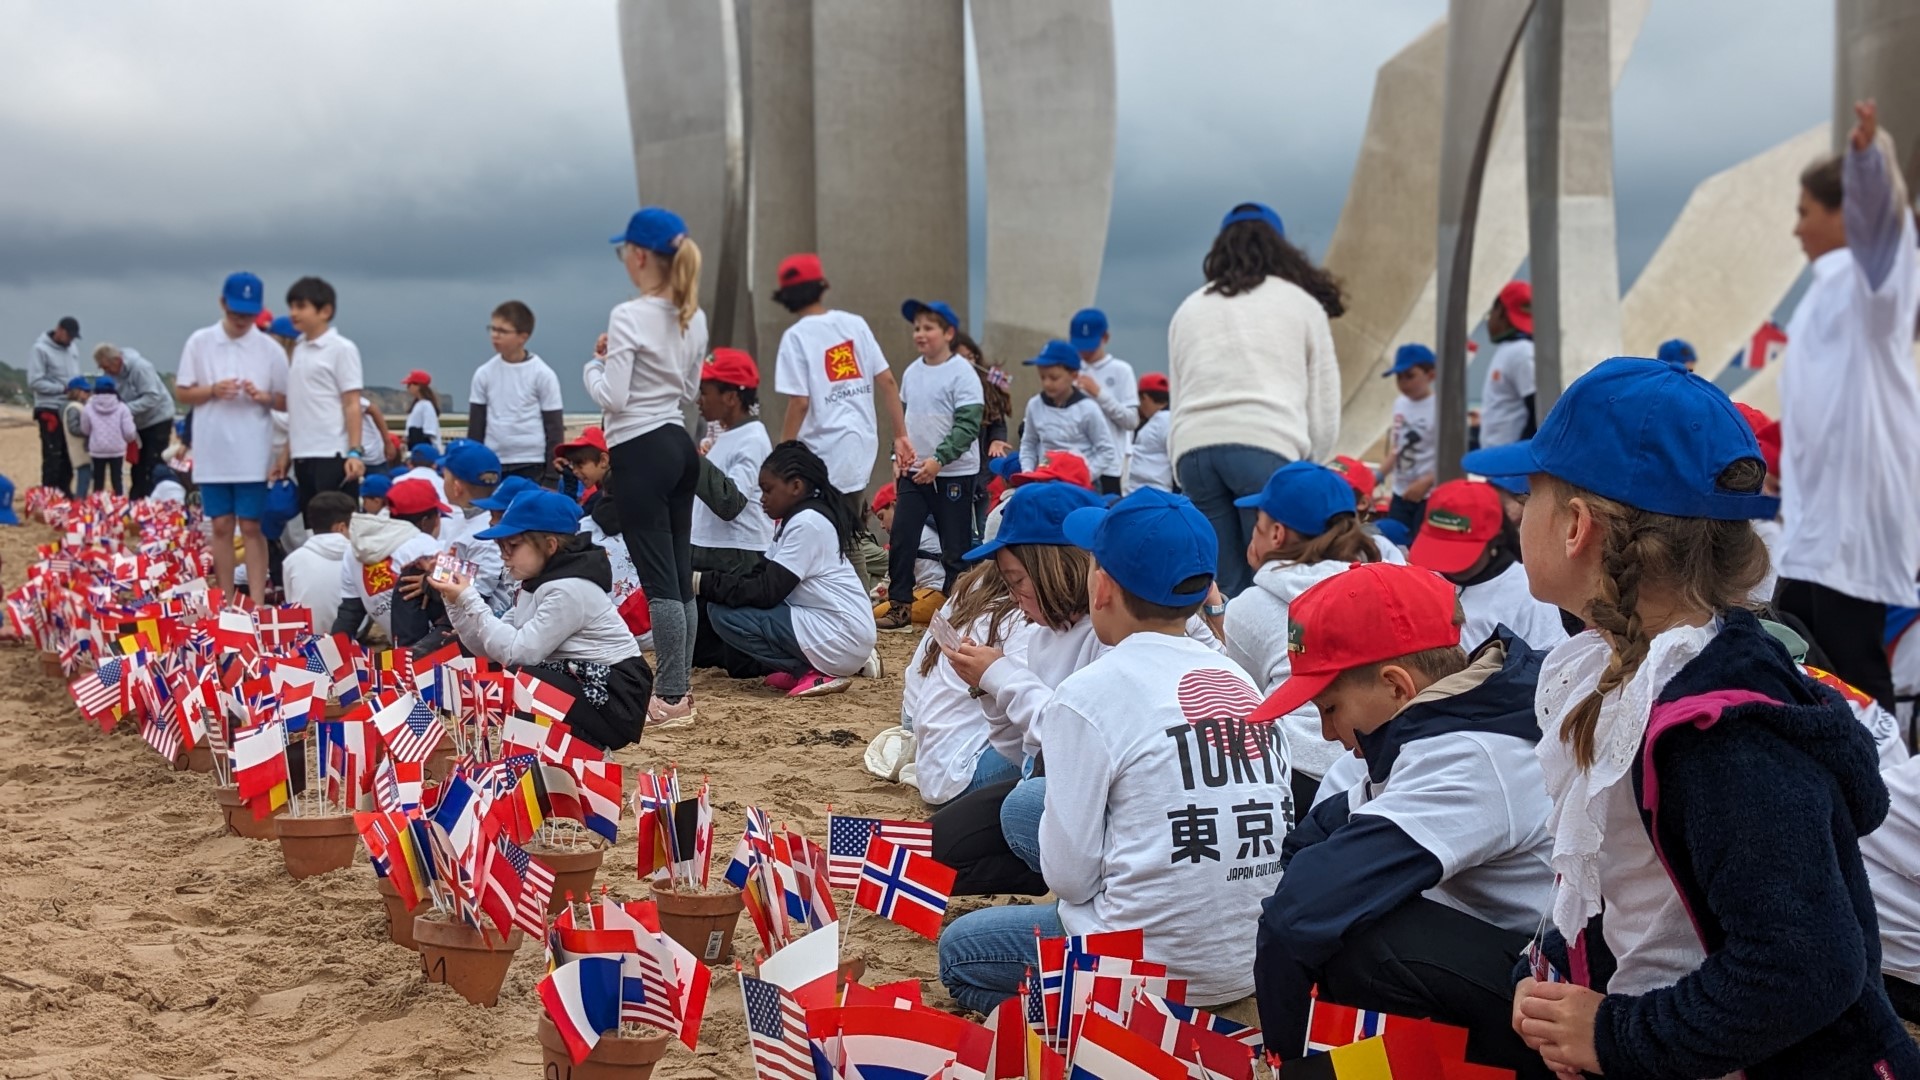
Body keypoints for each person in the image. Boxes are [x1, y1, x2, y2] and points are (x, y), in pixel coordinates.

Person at [1467, 355, 1919, 1078]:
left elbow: (1806, 966)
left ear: (1577, 526)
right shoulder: (1630, 676)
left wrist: (1615, 1036)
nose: (1519, 512)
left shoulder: (1721, 734)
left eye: (1530, 493)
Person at [937, 487, 1283, 1013]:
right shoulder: (1237, 678)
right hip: (1245, 964)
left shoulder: (1093, 691)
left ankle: (1083, 1023)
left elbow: (1069, 877)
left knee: (960, 951)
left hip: (1142, 970)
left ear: (1102, 587)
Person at [1251, 562, 1553, 1076]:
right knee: (1349, 905)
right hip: (1514, 969)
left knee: (1362, 936)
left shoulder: (1476, 755)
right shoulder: (1453, 716)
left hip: (1556, 1005)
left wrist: (1282, 1059)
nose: (1327, 734)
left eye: (1329, 708)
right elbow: (1314, 837)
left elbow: (1296, 916)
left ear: (1396, 686)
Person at [1774, 99, 1920, 712]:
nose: (1797, 227)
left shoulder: (1869, 287)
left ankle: (1886, 798)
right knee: (1793, 653)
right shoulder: (1824, 295)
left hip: (1853, 526)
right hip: (1814, 527)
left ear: (1844, 216)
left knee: (1856, 674)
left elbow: (1887, 237)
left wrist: (1867, 167)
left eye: (1805, 211)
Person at [1167, 202, 1342, 597]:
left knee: (1222, 585)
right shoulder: (1301, 304)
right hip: (1266, 445)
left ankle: (1226, 655)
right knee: (1276, 577)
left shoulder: (1189, 308)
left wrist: (1181, 464)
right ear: (1280, 248)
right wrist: (1307, 468)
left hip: (1194, 451)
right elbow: (1325, 403)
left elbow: (1178, 398)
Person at [586, 207, 708, 728]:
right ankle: (681, 690)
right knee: (680, 577)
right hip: (677, 441)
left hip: (638, 445)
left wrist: (593, 366)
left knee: (661, 582)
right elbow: (688, 390)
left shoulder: (628, 315)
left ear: (639, 257)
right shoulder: (693, 314)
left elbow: (613, 397)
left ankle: (674, 696)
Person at [430, 489, 655, 752]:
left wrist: (469, 598)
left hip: (615, 694)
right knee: (504, 674)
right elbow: (488, 647)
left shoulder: (569, 588)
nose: (504, 554)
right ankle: (554, 752)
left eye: (512, 546)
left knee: (518, 680)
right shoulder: (535, 583)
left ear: (550, 545)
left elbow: (516, 654)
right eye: (501, 546)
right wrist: (454, 600)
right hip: (583, 682)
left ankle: (588, 749)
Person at [1223, 461, 1383, 809]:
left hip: (1291, 771)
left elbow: (1238, 693)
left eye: (1258, 524)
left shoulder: (1250, 606)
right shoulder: (1384, 584)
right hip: (1376, 768)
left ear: (1277, 534)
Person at [694, 441, 880, 697]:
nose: (762, 499)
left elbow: (767, 592)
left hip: (840, 634)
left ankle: (811, 671)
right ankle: (807, 668)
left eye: (768, 490)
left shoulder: (808, 523)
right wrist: (705, 582)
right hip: (836, 630)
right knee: (725, 607)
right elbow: (760, 575)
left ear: (795, 486)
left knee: (724, 615)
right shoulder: (796, 521)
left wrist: (700, 583)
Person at [770, 252, 911, 588]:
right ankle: (855, 619)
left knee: (833, 538)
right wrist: (901, 435)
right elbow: (888, 382)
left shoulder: (796, 337)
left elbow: (800, 402)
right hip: (860, 446)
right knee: (846, 534)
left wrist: (782, 454)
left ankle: (856, 621)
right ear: (823, 286)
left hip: (820, 452)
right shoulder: (854, 324)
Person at [175, 272, 287, 604]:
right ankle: (224, 599)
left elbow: (287, 399)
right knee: (221, 525)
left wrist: (263, 396)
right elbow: (182, 391)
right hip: (213, 452)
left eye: (248, 314)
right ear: (223, 304)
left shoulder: (270, 349)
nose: (241, 320)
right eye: (236, 312)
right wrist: (212, 390)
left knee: (252, 527)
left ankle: (255, 601)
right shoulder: (200, 342)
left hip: (253, 453)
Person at [879, 299, 984, 632]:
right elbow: (904, 422)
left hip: (953, 474)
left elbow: (968, 426)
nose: (920, 334)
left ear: (948, 333)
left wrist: (939, 460)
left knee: (956, 548)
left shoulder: (963, 373)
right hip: (913, 474)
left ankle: (957, 609)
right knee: (903, 537)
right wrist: (898, 459)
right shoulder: (911, 372)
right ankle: (900, 606)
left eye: (928, 328)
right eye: (917, 328)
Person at [907, 560, 1028, 807]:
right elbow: (1032, 722)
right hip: (961, 768)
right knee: (1061, 758)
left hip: (931, 744)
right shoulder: (1023, 620)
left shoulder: (975, 586)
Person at [1408, 479, 1568, 652]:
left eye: (1460, 552)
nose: (1447, 565)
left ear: (1496, 537)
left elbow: (1550, 659)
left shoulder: (1529, 591)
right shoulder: (1419, 580)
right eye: (1438, 548)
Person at [278, 276, 367, 514]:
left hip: (332, 452)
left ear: (325, 310)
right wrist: (286, 454)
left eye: (301, 306)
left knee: (338, 527)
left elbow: (351, 403)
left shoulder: (341, 348)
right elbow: (298, 406)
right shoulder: (298, 349)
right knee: (314, 528)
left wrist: (355, 451)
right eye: (291, 307)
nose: (293, 313)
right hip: (303, 453)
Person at [692, 348, 775, 576]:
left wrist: (691, 458)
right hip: (719, 552)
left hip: (735, 558)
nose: (699, 400)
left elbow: (729, 502)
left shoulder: (753, 438)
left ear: (730, 398)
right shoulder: (730, 436)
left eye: (705, 392)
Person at [332, 478, 446, 641]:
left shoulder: (354, 550)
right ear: (426, 521)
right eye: (439, 515)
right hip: (437, 653)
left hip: (400, 654)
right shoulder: (425, 546)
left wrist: (333, 650)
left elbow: (351, 612)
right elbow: (463, 594)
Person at [469, 300, 565, 484]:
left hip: (531, 463)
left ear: (523, 336)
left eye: (503, 331)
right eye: (493, 329)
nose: (495, 336)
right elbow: (476, 427)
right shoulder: (484, 373)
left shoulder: (543, 374)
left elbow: (554, 428)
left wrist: (551, 478)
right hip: (493, 463)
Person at [1017, 339, 1115, 480]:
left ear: (1073, 375)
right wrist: (1027, 472)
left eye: (1054, 378)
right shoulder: (1035, 405)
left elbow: (1106, 451)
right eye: (1042, 377)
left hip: (1078, 483)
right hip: (1044, 478)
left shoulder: (1088, 409)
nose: (1047, 383)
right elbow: (1029, 443)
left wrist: (1084, 475)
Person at [91, 343, 175, 498]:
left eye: (106, 367)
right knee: (137, 465)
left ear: (116, 360)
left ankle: (154, 501)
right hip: (138, 423)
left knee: (153, 464)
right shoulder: (111, 374)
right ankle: (136, 500)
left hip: (158, 419)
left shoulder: (141, 368)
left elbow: (152, 397)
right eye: (102, 368)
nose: (105, 372)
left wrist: (123, 410)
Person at [1068, 308, 1138, 495]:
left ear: (1105, 337)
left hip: (1111, 466)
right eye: (1080, 345)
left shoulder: (1121, 370)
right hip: (1076, 463)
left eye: (1090, 344)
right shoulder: (1069, 370)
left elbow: (1132, 420)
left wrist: (1099, 393)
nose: (1085, 351)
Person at [954, 333, 1012, 542]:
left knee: (983, 525)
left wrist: (996, 439)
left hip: (982, 470)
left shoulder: (985, 387)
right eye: (962, 358)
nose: (969, 363)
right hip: (951, 469)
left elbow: (997, 422)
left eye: (971, 357)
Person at [1382, 343, 1439, 537]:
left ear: (1431, 375)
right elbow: (1397, 448)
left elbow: (1453, 455)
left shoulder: (1441, 407)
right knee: (1395, 544)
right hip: (1400, 492)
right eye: (1399, 377)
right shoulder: (1399, 404)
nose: (1403, 383)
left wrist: (1427, 482)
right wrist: (1377, 477)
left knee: (1421, 550)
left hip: (1429, 495)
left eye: (1410, 376)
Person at [870, 484, 945, 624]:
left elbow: (890, 581)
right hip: (928, 591)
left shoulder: (909, 532)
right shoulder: (924, 525)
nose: (881, 525)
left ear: (895, 506)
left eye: (882, 517)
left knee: (877, 613)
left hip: (937, 593)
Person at [284, 490, 356, 631]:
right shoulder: (358, 555)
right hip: (354, 634)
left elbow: (291, 603)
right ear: (341, 528)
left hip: (307, 638)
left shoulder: (292, 560)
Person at [1476, 280, 1535, 449]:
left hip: (1509, 465)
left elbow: (1540, 412)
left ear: (1500, 311)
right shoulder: (1511, 350)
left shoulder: (1522, 352)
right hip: (1500, 461)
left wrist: (1517, 458)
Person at [29, 316, 83, 494]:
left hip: (68, 407)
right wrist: (62, 389)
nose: (71, 341)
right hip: (49, 407)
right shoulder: (40, 349)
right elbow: (35, 382)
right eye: (69, 336)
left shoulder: (72, 349)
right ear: (59, 330)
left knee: (69, 453)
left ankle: (64, 490)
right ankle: (49, 494)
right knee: (53, 453)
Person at [78, 376, 137, 496]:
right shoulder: (122, 408)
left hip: (97, 448)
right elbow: (130, 432)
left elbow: (84, 429)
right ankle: (119, 505)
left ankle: (96, 507)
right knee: (117, 480)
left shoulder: (88, 408)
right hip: (117, 449)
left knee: (98, 481)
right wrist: (127, 439)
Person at [1123, 372, 1173, 495]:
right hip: (1149, 492)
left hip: (1153, 492)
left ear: (1144, 397)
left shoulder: (1164, 420)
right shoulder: (1164, 419)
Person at [554, 426, 612, 509]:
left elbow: (572, 518)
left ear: (603, 460)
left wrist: (570, 486)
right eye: (572, 465)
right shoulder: (606, 491)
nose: (574, 471)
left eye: (579, 464)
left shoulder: (602, 499)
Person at [60, 377, 92, 499]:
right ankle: (80, 500)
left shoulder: (78, 406)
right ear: (76, 391)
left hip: (83, 448)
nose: (88, 393)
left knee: (86, 476)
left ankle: (81, 499)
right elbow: (73, 428)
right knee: (83, 476)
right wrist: (88, 431)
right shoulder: (73, 408)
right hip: (80, 449)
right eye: (85, 391)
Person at [402, 370, 442, 451]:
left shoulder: (426, 406)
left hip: (425, 451)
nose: (407, 387)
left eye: (410, 384)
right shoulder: (418, 404)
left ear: (418, 386)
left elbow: (429, 433)